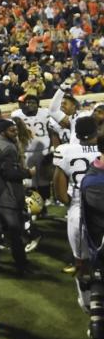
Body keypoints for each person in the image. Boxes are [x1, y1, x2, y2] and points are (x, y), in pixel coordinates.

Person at [0, 119, 31, 275]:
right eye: (12, 130)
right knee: (16, 234)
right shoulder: (8, 148)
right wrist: (28, 173)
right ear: (3, 131)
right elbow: (9, 173)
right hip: (7, 196)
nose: (15, 132)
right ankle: (22, 266)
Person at [52, 115, 96, 274]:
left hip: (79, 205)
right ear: (96, 132)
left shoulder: (65, 151)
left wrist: (68, 202)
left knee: (81, 261)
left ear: (76, 134)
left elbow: (59, 188)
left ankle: (87, 297)